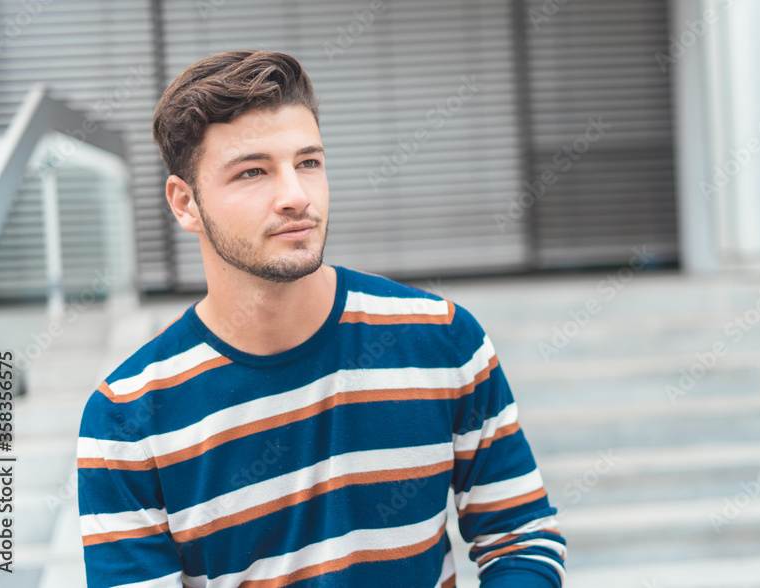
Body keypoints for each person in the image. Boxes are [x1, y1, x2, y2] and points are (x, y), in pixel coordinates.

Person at [76, 50, 566, 587]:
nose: (295, 196)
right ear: (185, 204)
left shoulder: (443, 338)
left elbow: (521, 537)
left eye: (308, 163)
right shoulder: (126, 419)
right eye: (253, 171)